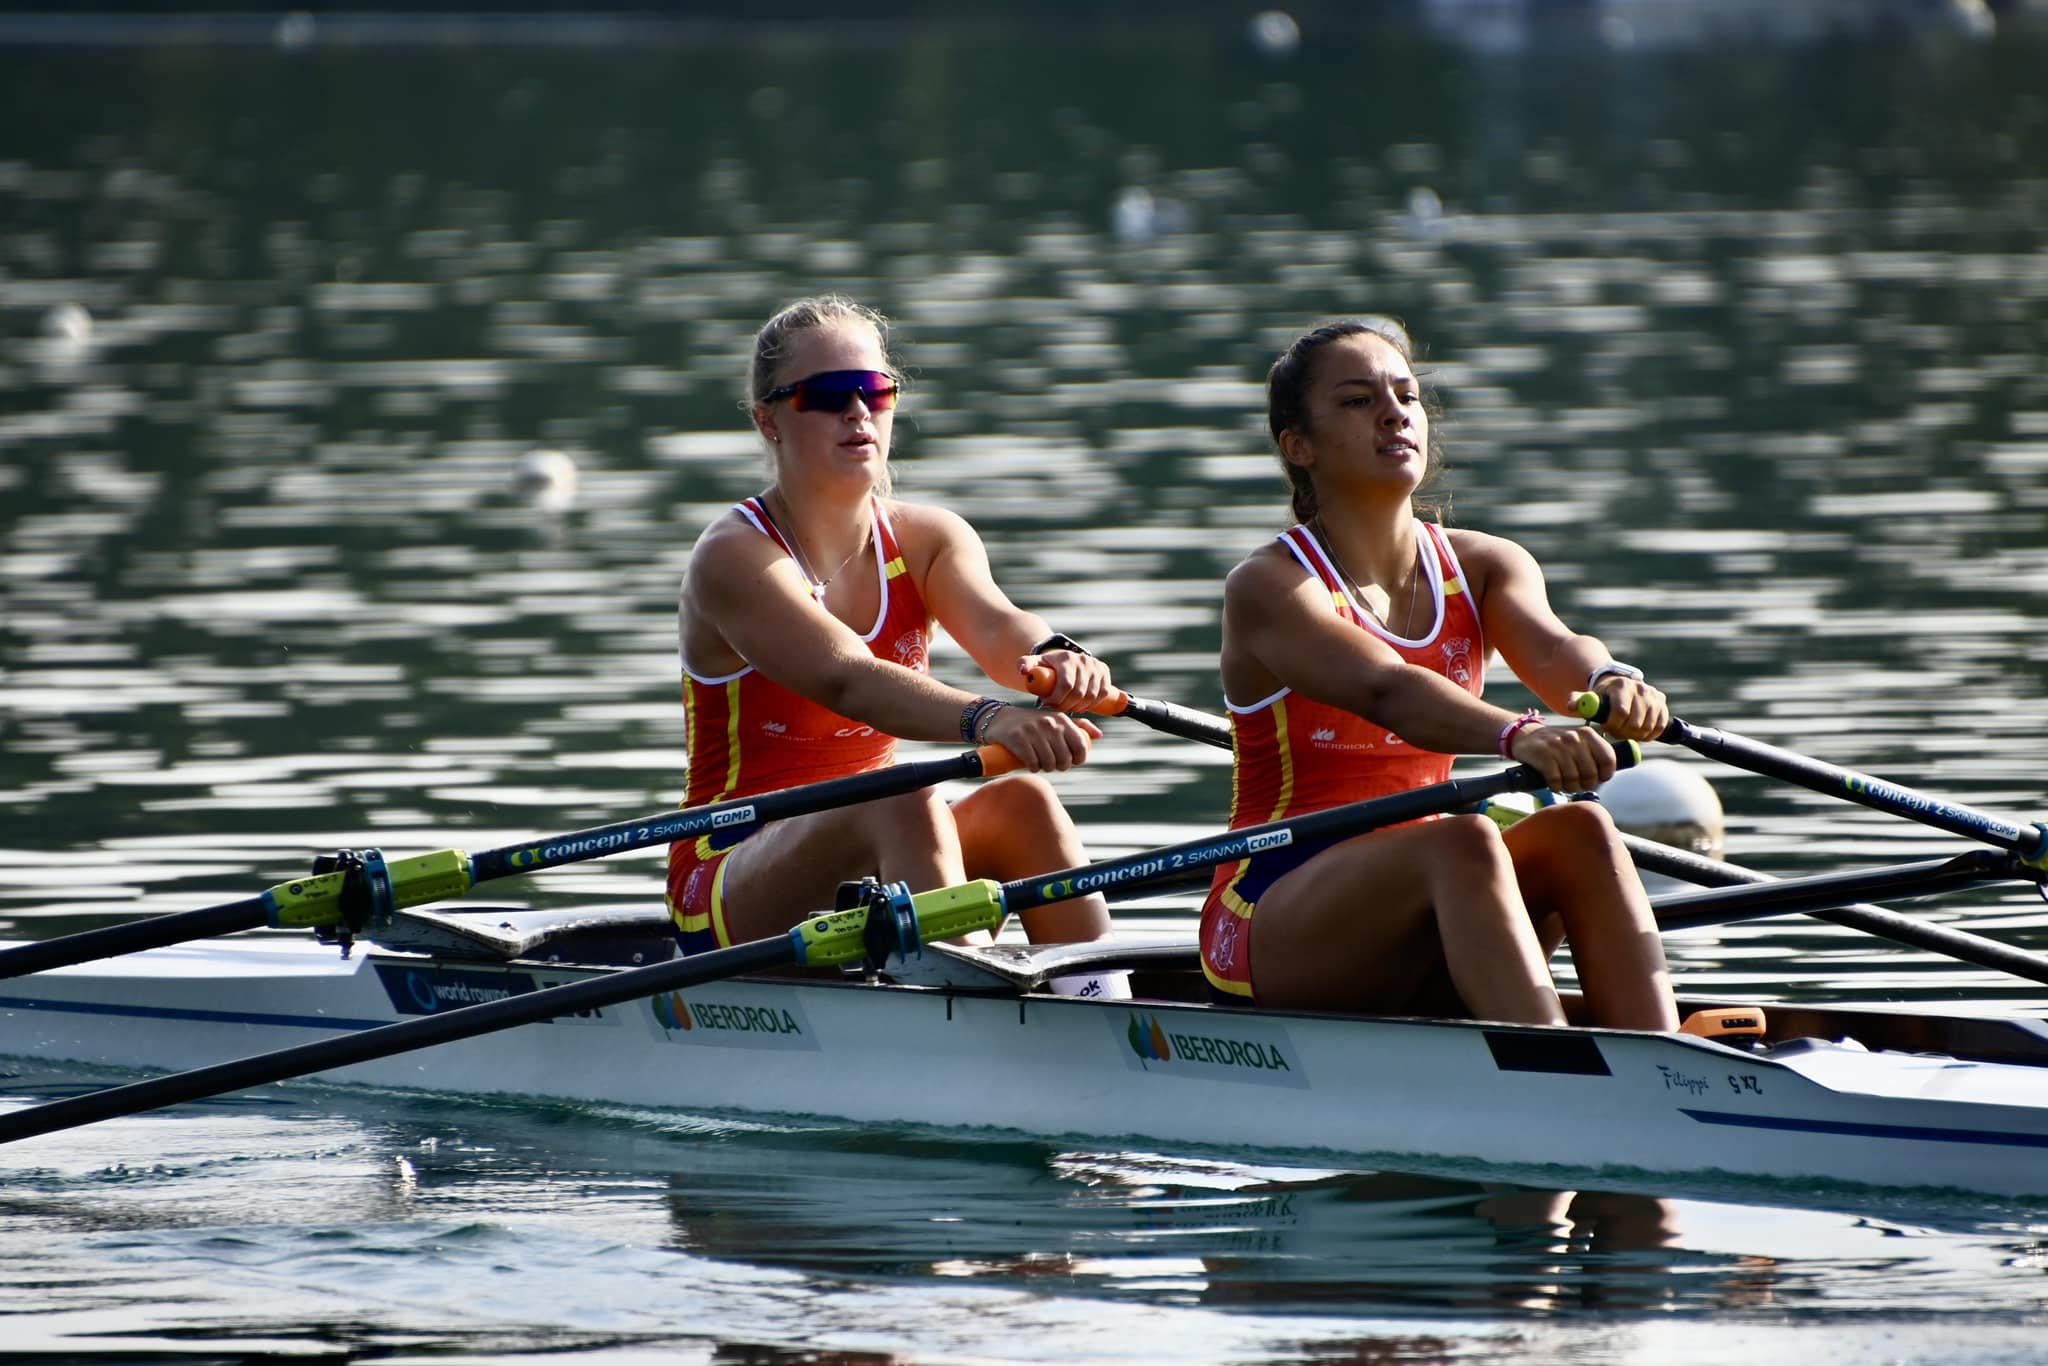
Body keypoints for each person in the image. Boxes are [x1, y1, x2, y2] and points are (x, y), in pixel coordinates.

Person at [1199, 317, 1679, 1029]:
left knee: (1581, 828)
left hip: (1438, 890)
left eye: (1407, 396)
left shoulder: (1485, 565)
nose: (1395, 413)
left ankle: (1665, 1066)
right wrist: (1517, 735)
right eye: (1359, 401)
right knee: (1466, 837)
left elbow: (1553, 650)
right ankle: (1555, 1077)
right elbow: (1386, 689)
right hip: (1274, 904)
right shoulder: (1270, 587)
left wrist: (1610, 681)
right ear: (1298, 447)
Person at [668, 295, 1120, 988]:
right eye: (826, 395)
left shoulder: (929, 538)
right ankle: (964, 1000)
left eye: (876, 390)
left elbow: (1000, 626)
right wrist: (988, 718)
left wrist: (1057, 656)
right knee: (904, 791)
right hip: (731, 871)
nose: (858, 411)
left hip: (882, 840)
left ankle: (1102, 1003)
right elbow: (846, 676)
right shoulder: (736, 557)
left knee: (1023, 803)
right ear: (769, 420)